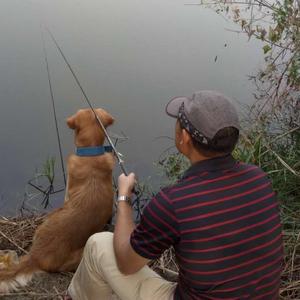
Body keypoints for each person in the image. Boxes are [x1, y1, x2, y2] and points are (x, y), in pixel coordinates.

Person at [67, 90, 283, 300]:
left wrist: (124, 199)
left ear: (185, 138)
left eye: (178, 122)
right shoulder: (259, 179)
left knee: (98, 245)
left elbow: (126, 263)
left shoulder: (174, 202)